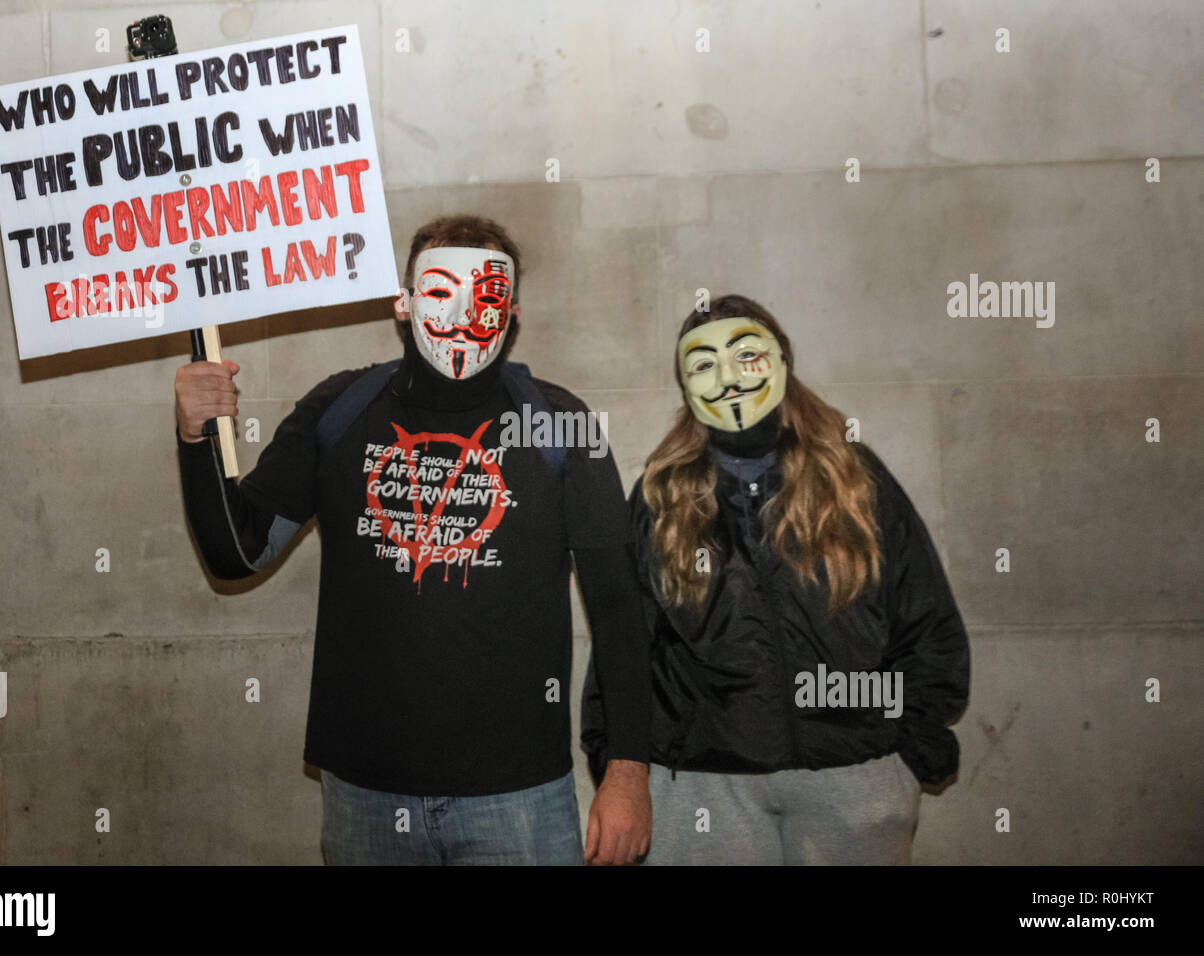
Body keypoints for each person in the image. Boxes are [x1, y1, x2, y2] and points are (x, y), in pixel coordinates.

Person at [175, 215, 651, 865]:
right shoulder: (336, 412)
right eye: (438, 291)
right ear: (402, 304)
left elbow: (622, 611)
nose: (459, 314)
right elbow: (238, 553)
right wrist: (196, 438)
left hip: (519, 797)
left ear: (511, 313)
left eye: (483, 297)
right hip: (366, 793)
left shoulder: (563, 425)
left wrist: (627, 776)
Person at [582, 293, 970, 865]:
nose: (730, 378)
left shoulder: (856, 479)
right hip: (704, 786)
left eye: (747, 356)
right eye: (705, 364)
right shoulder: (660, 495)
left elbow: (924, 614)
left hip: (855, 772)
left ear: (782, 361)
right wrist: (619, 763)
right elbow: (626, 644)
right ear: (686, 384)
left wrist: (911, 747)